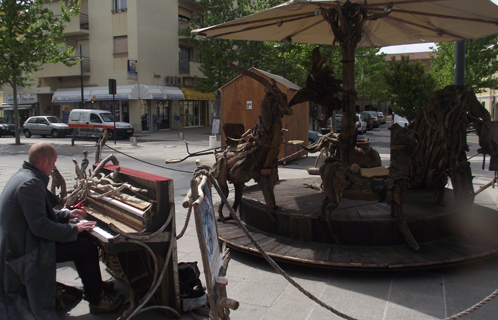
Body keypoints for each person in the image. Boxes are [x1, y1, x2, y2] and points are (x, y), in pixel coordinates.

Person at [0, 142, 124, 319]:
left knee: (84, 240)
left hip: (27, 240)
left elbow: (39, 215)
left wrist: (67, 216)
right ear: (44, 161)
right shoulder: (30, 184)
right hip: (26, 251)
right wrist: (74, 228)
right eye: (53, 163)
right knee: (86, 249)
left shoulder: (24, 176)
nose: (53, 168)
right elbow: (40, 226)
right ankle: (97, 301)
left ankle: (94, 286)